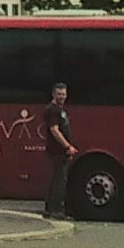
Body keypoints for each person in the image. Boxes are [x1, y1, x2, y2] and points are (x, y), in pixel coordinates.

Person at [39, 82, 75, 220]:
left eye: (64, 94)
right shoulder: (52, 110)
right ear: (53, 94)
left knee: (57, 178)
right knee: (60, 180)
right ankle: (56, 210)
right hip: (57, 150)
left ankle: (49, 209)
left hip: (60, 150)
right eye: (59, 94)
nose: (62, 97)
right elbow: (54, 130)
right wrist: (67, 146)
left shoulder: (60, 109)